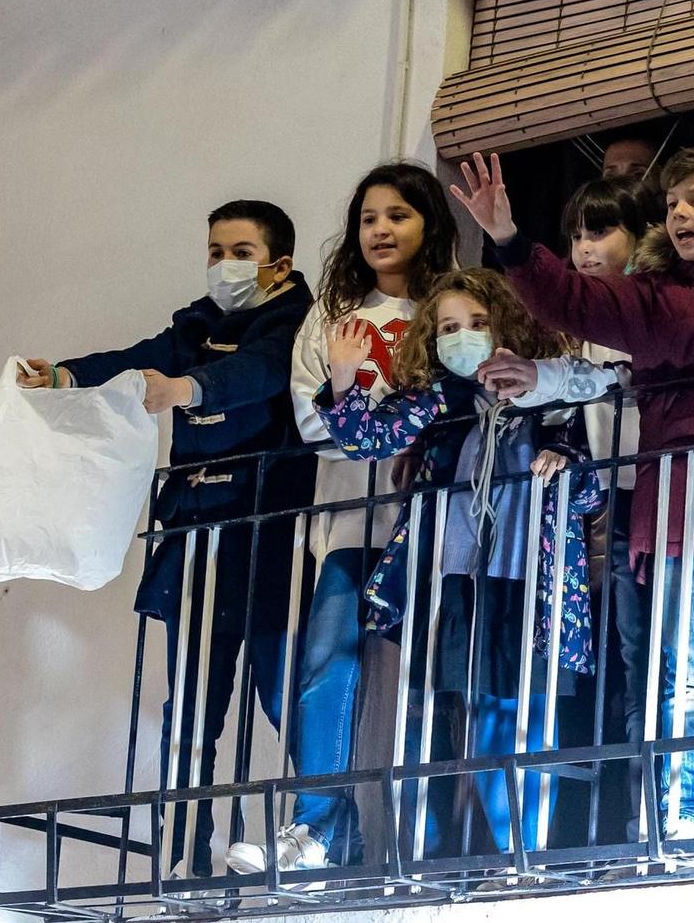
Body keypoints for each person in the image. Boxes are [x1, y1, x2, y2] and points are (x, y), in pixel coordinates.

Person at [452, 146, 694, 837]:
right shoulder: (655, 294)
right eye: (673, 201)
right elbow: (575, 299)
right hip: (682, 510)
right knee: (683, 676)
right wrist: (507, 237)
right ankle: (682, 818)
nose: (679, 211)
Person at [17, 200, 312, 880]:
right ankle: (184, 853)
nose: (222, 264)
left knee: (285, 694)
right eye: (213, 250)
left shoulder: (296, 321)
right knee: (191, 711)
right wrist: (63, 375)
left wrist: (187, 388)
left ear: (279, 264)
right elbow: (134, 361)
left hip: (265, 531)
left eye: (238, 251)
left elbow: (261, 373)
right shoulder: (197, 325)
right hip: (194, 533)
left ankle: (323, 827)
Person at [314, 268, 608, 855]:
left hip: (531, 581)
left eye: (477, 323)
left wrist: (563, 459)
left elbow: (592, 490)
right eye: (449, 327)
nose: (463, 335)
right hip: (451, 576)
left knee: (522, 713)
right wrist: (344, 378)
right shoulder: (439, 400)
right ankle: (424, 853)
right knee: (449, 709)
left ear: (508, 324)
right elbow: (369, 440)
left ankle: (520, 853)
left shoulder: (547, 395)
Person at [228, 164, 457, 877]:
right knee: (328, 662)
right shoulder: (330, 318)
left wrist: (360, 413)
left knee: (419, 679)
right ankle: (317, 824)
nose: (381, 230)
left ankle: (416, 842)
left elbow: (449, 410)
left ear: (430, 225)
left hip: (433, 524)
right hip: (348, 521)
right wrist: (349, 399)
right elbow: (311, 420)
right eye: (368, 218)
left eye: (398, 215)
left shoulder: (451, 312)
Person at [480, 173, 653, 835]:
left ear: (638, 239)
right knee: (596, 664)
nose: (585, 247)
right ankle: (584, 825)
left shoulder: (645, 307)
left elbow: (621, 384)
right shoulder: (575, 329)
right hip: (599, 506)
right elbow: (570, 404)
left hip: (653, 494)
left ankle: (637, 820)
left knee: (642, 658)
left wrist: (548, 383)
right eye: (577, 233)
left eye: (601, 231)